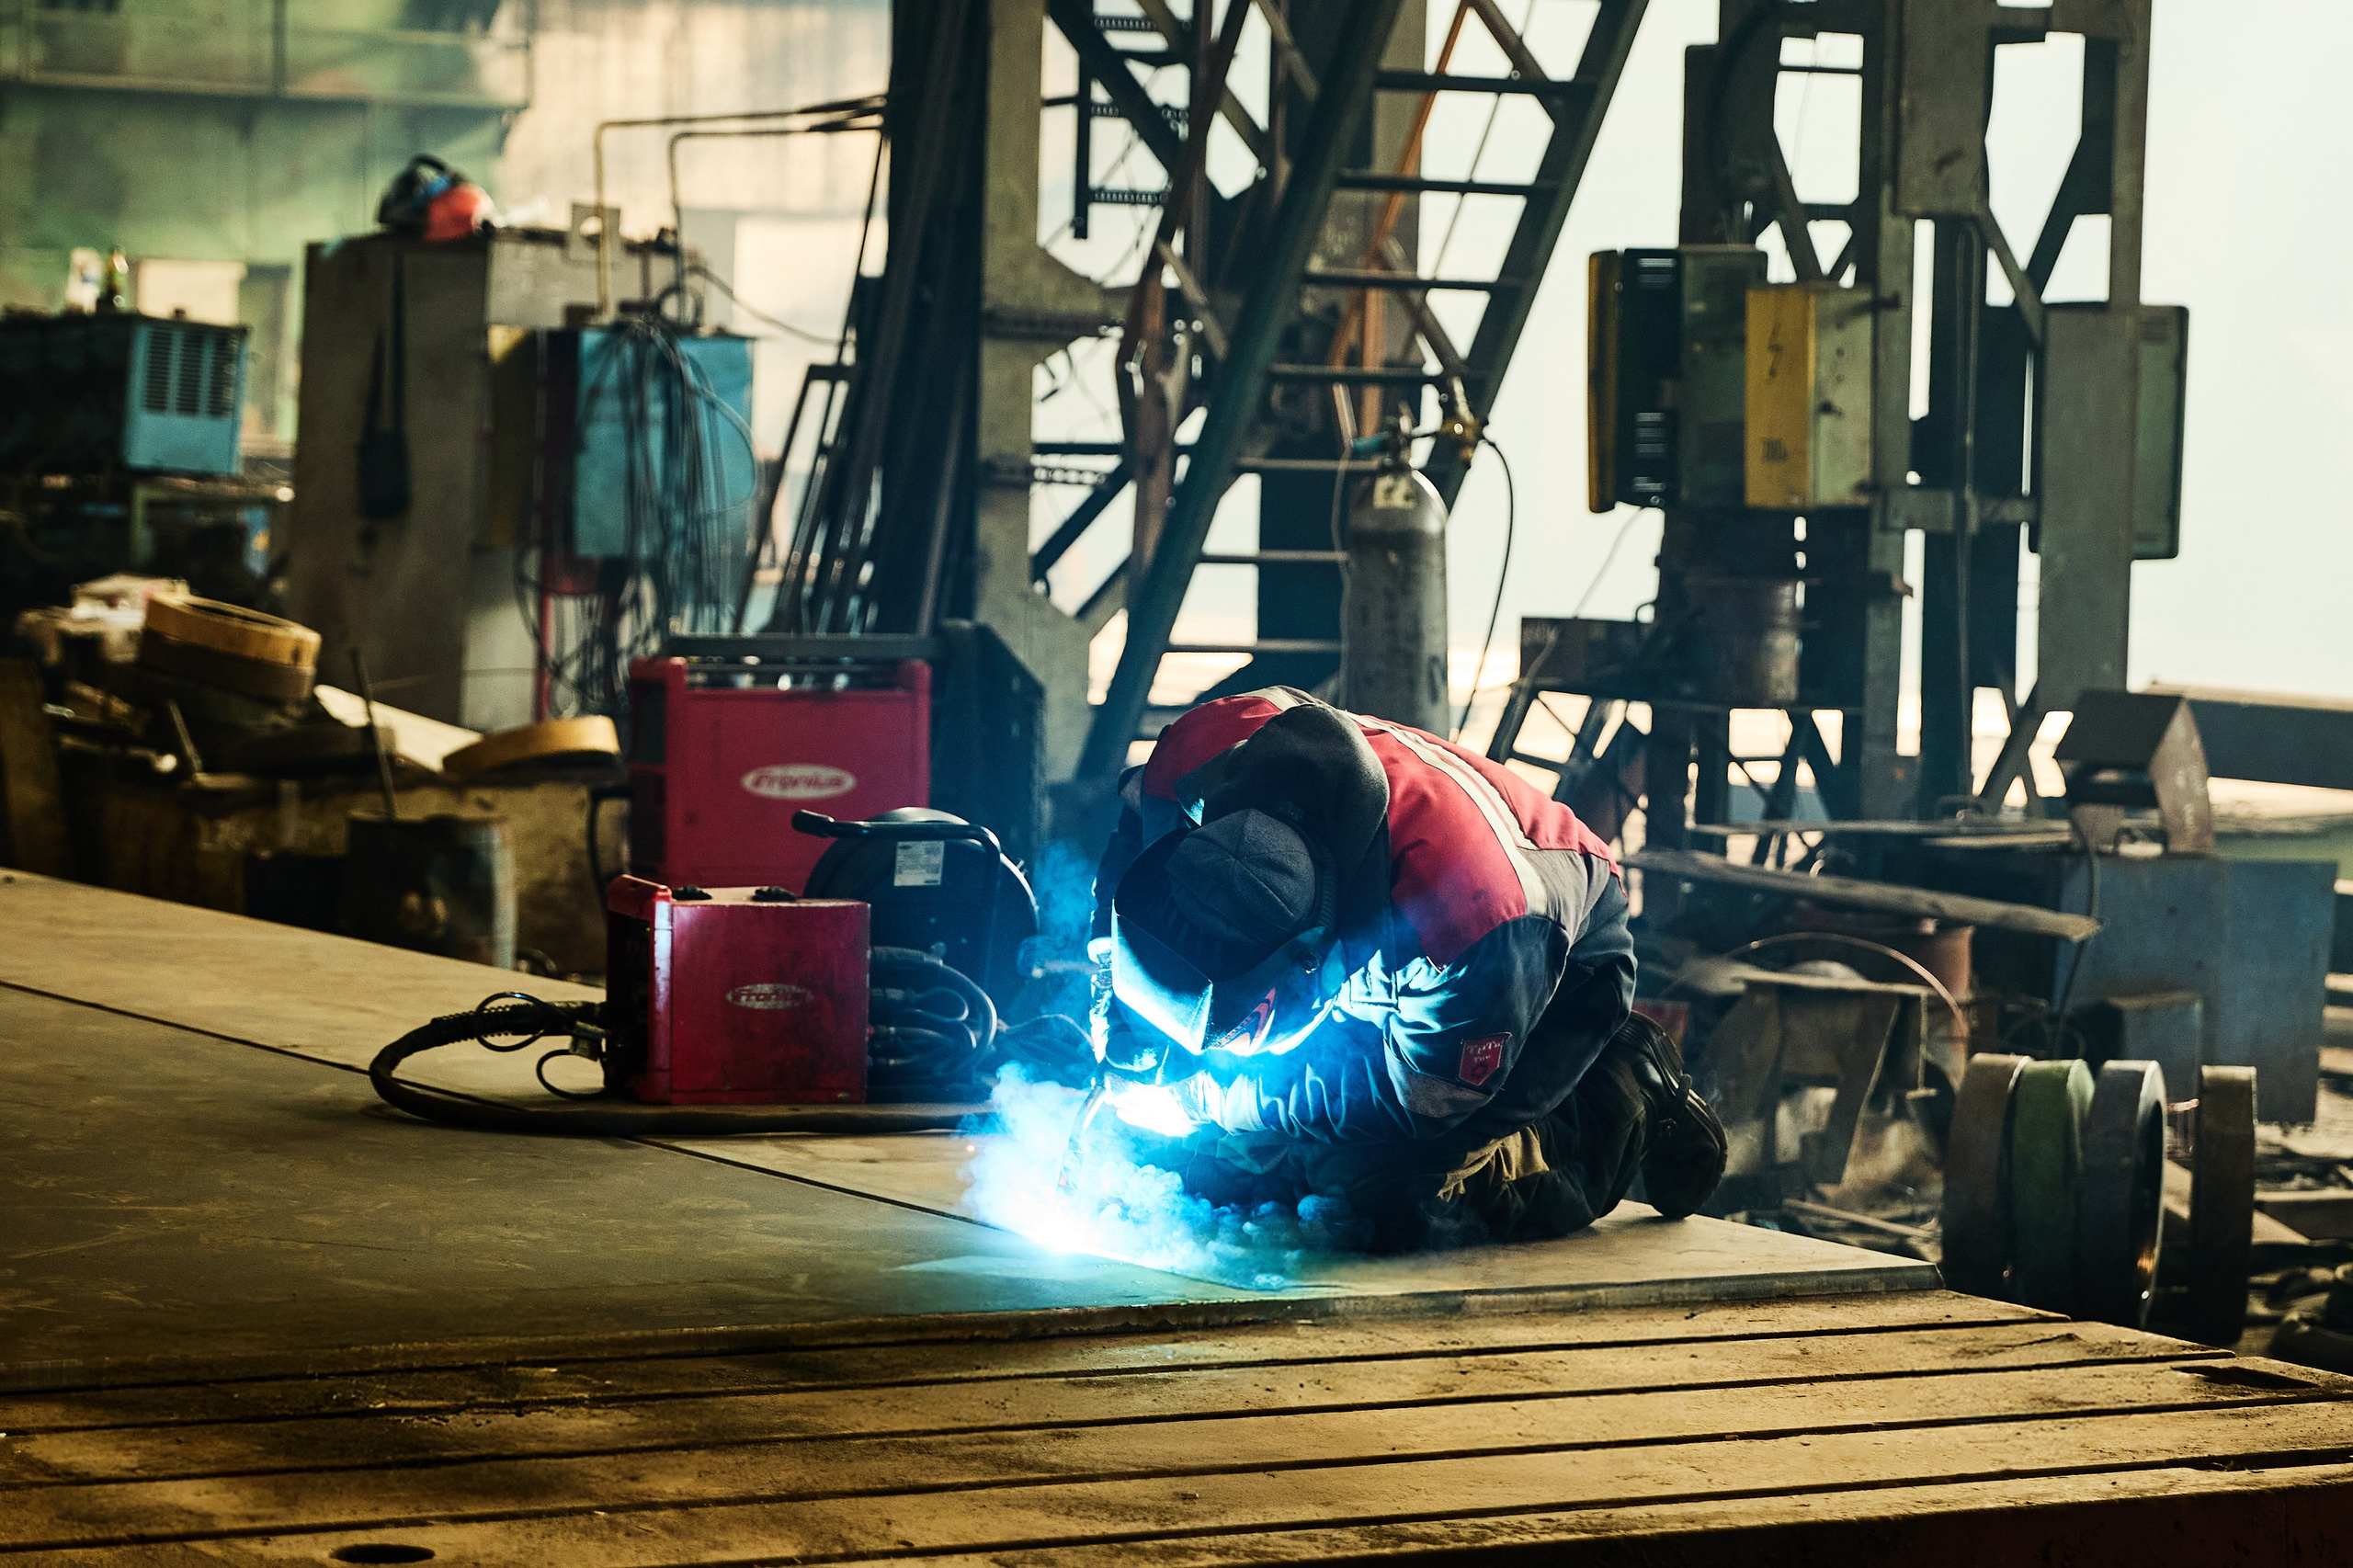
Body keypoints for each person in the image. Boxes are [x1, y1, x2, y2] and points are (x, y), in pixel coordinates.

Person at [1087, 686, 1725, 1251]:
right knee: (1201, 1169)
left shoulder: (1469, 922)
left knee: (1385, 1201)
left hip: (1550, 979)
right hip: (1396, 962)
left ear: (1305, 968)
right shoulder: (1192, 757)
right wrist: (1116, 1018)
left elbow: (1414, 1102)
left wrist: (1212, 1097)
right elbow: (1123, 873)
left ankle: (1632, 1089)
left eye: (1237, 1027)